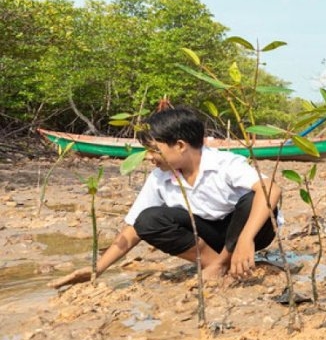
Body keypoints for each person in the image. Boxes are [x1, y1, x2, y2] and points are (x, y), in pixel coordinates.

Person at [48, 107, 281, 288]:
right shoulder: (161, 176)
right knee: (148, 219)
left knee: (253, 198)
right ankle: (216, 264)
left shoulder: (224, 163)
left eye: (154, 149)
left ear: (180, 145)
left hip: (249, 232)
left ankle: (222, 262)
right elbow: (134, 227)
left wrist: (245, 239)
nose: (149, 157)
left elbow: (272, 190)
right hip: (208, 236)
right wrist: (98, 268)